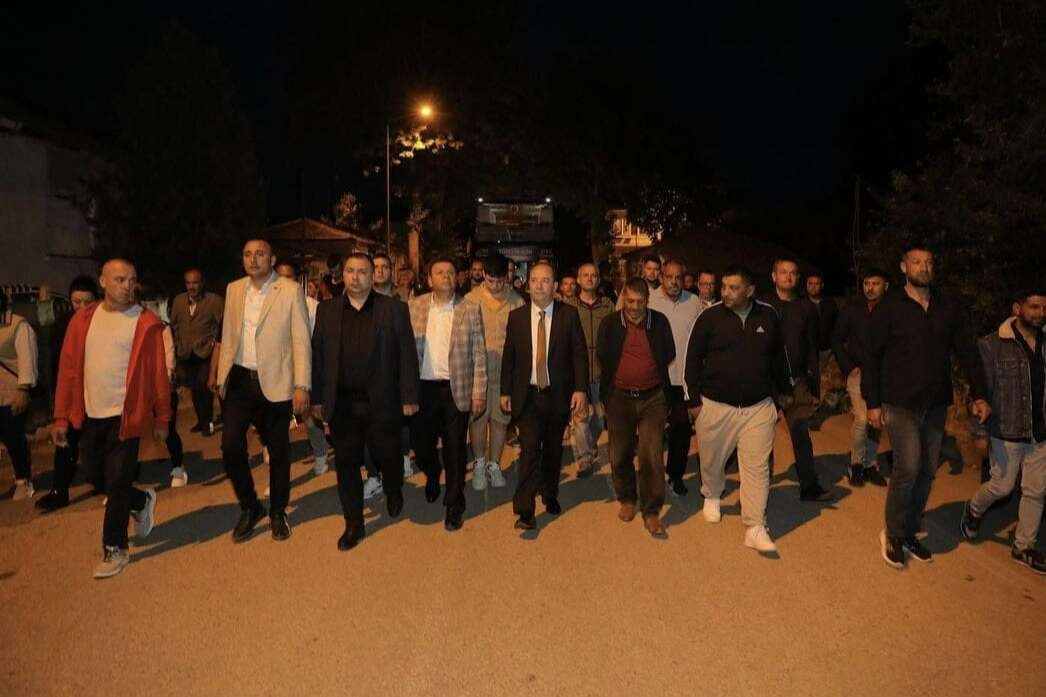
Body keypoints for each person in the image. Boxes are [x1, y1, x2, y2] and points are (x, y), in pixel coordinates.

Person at [863, 243, 990, 569]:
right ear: (904, 267)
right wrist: (873, 402)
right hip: (899, 402)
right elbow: (871, 356)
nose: (924, 267)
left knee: (927, 471)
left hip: (935, 403)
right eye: (917, 262)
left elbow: (968, 352)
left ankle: (907, 531)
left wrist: (980, 394)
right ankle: (893, 533)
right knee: (908, 466)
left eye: (929, 262)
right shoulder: (890, 306)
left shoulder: (947, 307)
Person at [52, 259, 169, 578]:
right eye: (119, 279)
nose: (127, 286)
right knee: (96, 476)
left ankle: (115, 548)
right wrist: (61, 417)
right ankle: (140, 501)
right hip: (90, 414)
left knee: (117, 481)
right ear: (102, 281)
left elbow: (158, 375)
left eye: (132, 280)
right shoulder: (83, 320)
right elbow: (68, 370)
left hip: (126, 416)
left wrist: (162, 418)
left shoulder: (145, 323)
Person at [312, 253, 420, 550]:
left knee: (388, 454)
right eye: (350, 271)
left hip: (383, 401)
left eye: (362, 272)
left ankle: (394, 487)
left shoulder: (393, 309)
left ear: (373, 277)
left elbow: (407, 354)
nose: (355, 277)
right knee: (346, 463)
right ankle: (354, 523)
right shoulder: (327, 311)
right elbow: (318, 357)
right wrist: (318, 399)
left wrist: (409, 396)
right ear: (342, 275)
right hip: (343, 403)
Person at [685, 264, 794, 553]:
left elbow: (779, 357)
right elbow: (692, 358)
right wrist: (693, 401)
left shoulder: (768, 316)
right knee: (712, 460)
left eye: (733, 288)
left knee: (757, 467)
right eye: (724, 287)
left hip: (758, 407)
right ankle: (712, 493)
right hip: (715, 406)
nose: (726, 293)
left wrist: (785, 392)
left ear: (750, 290)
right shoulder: (710, 317)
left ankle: (755, 526)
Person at [214, 240, 311, 543]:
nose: (253, 259)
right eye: (247, 254)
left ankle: (278, 511)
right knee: (230, 446)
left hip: (276, 381)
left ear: (272, 258)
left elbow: (301, 340)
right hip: (239, 379)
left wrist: (302, 385)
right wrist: (220, 378)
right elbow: (228, 335)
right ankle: (250, 506)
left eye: (260, 254)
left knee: (279, 451)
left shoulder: (289, 290)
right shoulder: (234, 289)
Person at [960, 289, 1046, 574]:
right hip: (1006, 430)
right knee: (1002, 486)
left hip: (1040, 432)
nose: (1040, 313)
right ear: (1017, 308)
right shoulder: (992, 345)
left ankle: (1024, 547)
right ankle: (974, 509)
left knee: (1036, 490)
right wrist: (979, 432)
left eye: (1044, 308)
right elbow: (979, 392)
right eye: (1034, 307)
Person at [500, 261, 589, 530]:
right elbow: (509, 357)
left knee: (552, 450)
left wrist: (581, 389)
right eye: (534, 280)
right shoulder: (517, 317)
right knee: (529, 451)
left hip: (557, 395)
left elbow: (579, 354)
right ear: (528, 285)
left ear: (555, 286)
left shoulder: (568, 315)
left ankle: (550, 492)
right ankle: (525, 510)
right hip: (527, 396)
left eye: (545, 280)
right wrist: (505, 391)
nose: (539, 286)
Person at [408, 258, 487, 531]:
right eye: (439, 272)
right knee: (422, 447)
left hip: (457, 389)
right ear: (429, 279)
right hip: (423, 389)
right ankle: (432, 473)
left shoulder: (470, 308)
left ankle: (455, 503)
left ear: (458, 278)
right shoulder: (414, 306)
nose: (446, 276)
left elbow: (479, 353)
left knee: (455, 449)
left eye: (451, 272)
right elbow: (403, 352)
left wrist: (479, 392)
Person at [598, 278, 675, 537]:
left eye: (640, 302)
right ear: (622, 298)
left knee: (650, 453)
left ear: (647, 301)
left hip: (653, 398)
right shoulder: (610, 324)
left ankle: (651, 511)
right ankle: (628, 498)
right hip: (619, 398)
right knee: (619, 453)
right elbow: (603, 356)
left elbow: (668, 353)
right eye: (629, 301)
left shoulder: (660, 322)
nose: (634, 307)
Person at [761, 258, 832, 502]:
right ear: (774, 276)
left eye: (793, 273)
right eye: (783, 272)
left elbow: (812, 347)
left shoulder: (806, 308)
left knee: (801, 434)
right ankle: (760, 486)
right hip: (766, 382)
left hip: (797, 382)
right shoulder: (762, 306)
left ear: (798, 278)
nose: (788, 277)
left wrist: (814, 387)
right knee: (762, 437)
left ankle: (809, 487)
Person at [36, 276, 98, 511]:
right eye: (76, 302)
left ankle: (107, 482)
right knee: (65, 443)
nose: (81, 307)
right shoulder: (63, 326)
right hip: (72, 395)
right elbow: (57, 364)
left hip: (96, 394)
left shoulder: (103, 324)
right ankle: (59, 491)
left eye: (87, 302)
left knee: (98, 444)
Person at [464, 254, 524, 490]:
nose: (496, 285)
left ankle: (494, 464)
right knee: (478, 419)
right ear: (484, 275)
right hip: (477, 374)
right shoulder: (471, 300)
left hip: (504, 374)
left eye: (500, 280)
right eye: (491, 280)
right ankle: (479, 463)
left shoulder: (516, 301)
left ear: (506, 277)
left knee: (500, 421)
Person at [648, 260, 705, 495]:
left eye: (678, 277)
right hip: (655, 379)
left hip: (683, 380)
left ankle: (675, 475)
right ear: (661, 277)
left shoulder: (694, 302)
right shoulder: (649, 300)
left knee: (681, 430)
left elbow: (703, 339)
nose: (674, 282)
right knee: (652, 432)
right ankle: (651, 476)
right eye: (669, 277)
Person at [832, 268, 890, 487]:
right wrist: (849, 367)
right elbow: (837, 340)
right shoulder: (852, 310)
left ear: (885, 286)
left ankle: (870, 464)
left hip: (885, 374)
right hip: (859, 372)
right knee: (862, 418)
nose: (870, 288)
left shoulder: (892, 310)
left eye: (875, 283)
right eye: (867, 283)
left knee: (877, 421)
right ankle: (856, 463)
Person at [275, 261, 330, 476]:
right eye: (279, 277)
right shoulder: (267, 305)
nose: (283, 282)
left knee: (310, 412)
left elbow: (317, 341)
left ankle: (322, 450)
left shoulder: (312, 306)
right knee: (277, 417)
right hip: (279, 368)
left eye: (288, 277)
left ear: (297, 280)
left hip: (307, 367)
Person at [563, 262, 615, 476]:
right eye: (585, 275)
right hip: (578, 372)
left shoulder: (607, 306)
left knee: (600, 419)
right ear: (578, 279)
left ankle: (590, 447)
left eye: (594, 275)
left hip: (602, 371)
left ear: (598, 279)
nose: (590, 278)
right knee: (580, 418)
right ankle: (585, 460)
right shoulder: (568, 307)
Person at [168, 268, 223, 437]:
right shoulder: (178, 301)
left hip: (206, 352)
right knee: (194, 389)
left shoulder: (214, 301)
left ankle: (207, 422)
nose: (191, 286)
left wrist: (214, 343)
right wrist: (177, 344)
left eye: (195, 282)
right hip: (186, 353)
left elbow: (223, 325)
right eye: (188, 283)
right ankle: (201, 420)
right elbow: (173, 325)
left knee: (203, 386)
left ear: (202, 283)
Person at [0, 289, 39, 500]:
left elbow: (27, 359)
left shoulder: (19, 326)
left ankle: (23, 480)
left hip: (12, 395)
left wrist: (23, 390)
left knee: (13, 438)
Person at [806, 272, 838, 356]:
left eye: (816, 284)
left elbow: (837, 325)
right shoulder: (800, 304)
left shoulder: (830, 303)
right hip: (807, 352)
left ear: (822, 285)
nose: (813, 287)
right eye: (810, 283)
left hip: (827, 350)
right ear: (806, 285)